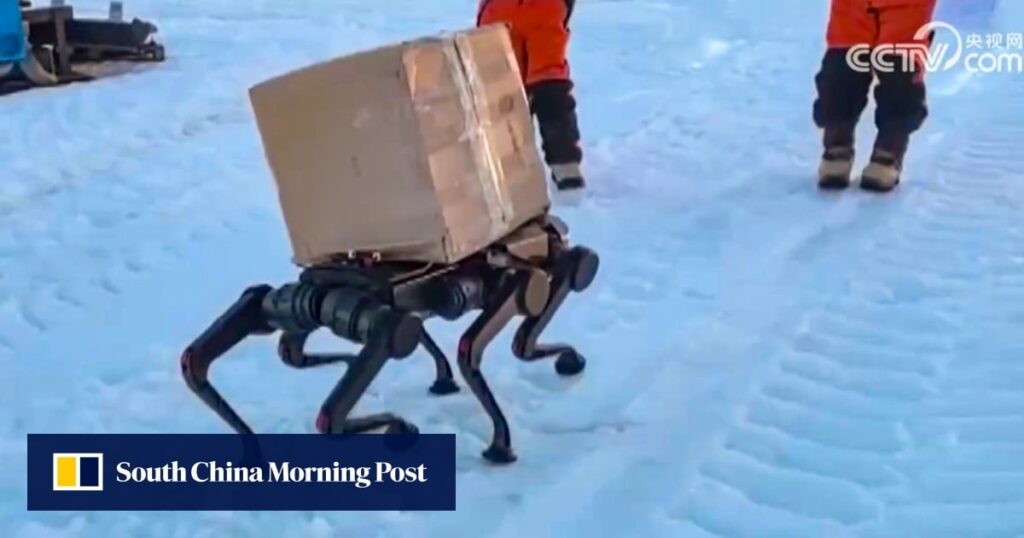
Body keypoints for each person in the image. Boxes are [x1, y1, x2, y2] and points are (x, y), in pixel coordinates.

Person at [814, 0, 938, 192]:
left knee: (899, 71)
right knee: (841, 69)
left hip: (908, 6)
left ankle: (888, 151)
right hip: (852, 6)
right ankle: (837, 146)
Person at [477, 0, 586, 193]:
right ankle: (564, 165)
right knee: (547, 84)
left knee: (504, 87)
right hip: (540, 11)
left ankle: (509, 164)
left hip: (504, 12)